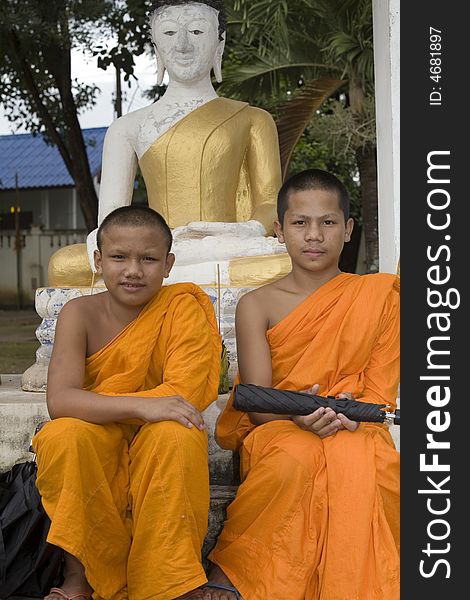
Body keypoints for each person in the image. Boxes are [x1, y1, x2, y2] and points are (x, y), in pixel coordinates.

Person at [206, 169, 400, 600]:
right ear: (280, 231)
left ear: (348, 230)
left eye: (328, 222)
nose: (314, 235)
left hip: (357, 424)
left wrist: (349, 412)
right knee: (293, 460)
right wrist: (301, 415)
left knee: (376, 467)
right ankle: (242, 572)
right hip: (280, 427)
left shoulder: (381, 296)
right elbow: (258, 401)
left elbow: (379, 393)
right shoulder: (256, 304)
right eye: (300, 223)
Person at [32, 205, 223, 600]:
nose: (133, 270)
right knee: (63, 435)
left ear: (168, 264)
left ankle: (171, 582)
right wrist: (140, 405)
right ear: (99, 261)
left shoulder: (183, 307)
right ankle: (81, 577)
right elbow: (61, 400)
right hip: (100, 429)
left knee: (177, 434)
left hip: (158, 431)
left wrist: (149, 410)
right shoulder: (79, 313)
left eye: (148, 259)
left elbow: (183, 396)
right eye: (119, 257)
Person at [48, 0, 286, 289]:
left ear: (219, 42)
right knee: (63, 265)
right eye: (170, 33)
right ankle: (177, 269)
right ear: (156, 44)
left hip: (227, 243)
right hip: (152, 251)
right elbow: (111, 224)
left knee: (284, 265)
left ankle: (169, 272)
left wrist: (241, 232)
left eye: (197, 31)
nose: (183, 45)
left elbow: (270, 203)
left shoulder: (253, 119)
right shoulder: (128, 127)